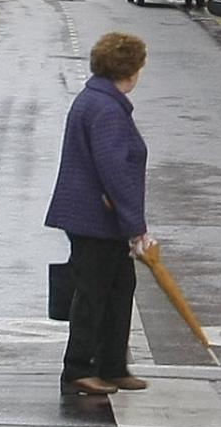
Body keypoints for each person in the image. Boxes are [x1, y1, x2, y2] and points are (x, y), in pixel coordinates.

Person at [45, 32, 154, 396]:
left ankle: (111, 365)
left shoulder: (97, 100)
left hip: (95, 217)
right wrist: (136, 228)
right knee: (93, 294)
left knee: (120, 289)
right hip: (95, 219)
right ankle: (79, 368)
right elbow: (115, 169)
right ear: (129, 69)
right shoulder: (106, 109)